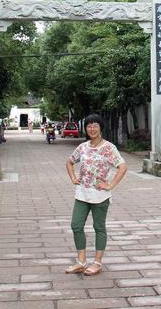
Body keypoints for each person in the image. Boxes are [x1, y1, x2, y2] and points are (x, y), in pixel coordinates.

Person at [65, 114, 127, 276]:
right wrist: (73, 178)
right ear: (86, 128)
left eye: (95, 126)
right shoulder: (82, 147)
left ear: (101, 128)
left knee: (99, 227)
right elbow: (69, 162)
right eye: (89, 126)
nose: (92, 129)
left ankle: (97, 263)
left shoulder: (108, 148)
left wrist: (110, 185)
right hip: (82, 194)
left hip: (100, 195)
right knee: (76, 225)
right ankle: (81, 262)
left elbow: (122, 167)